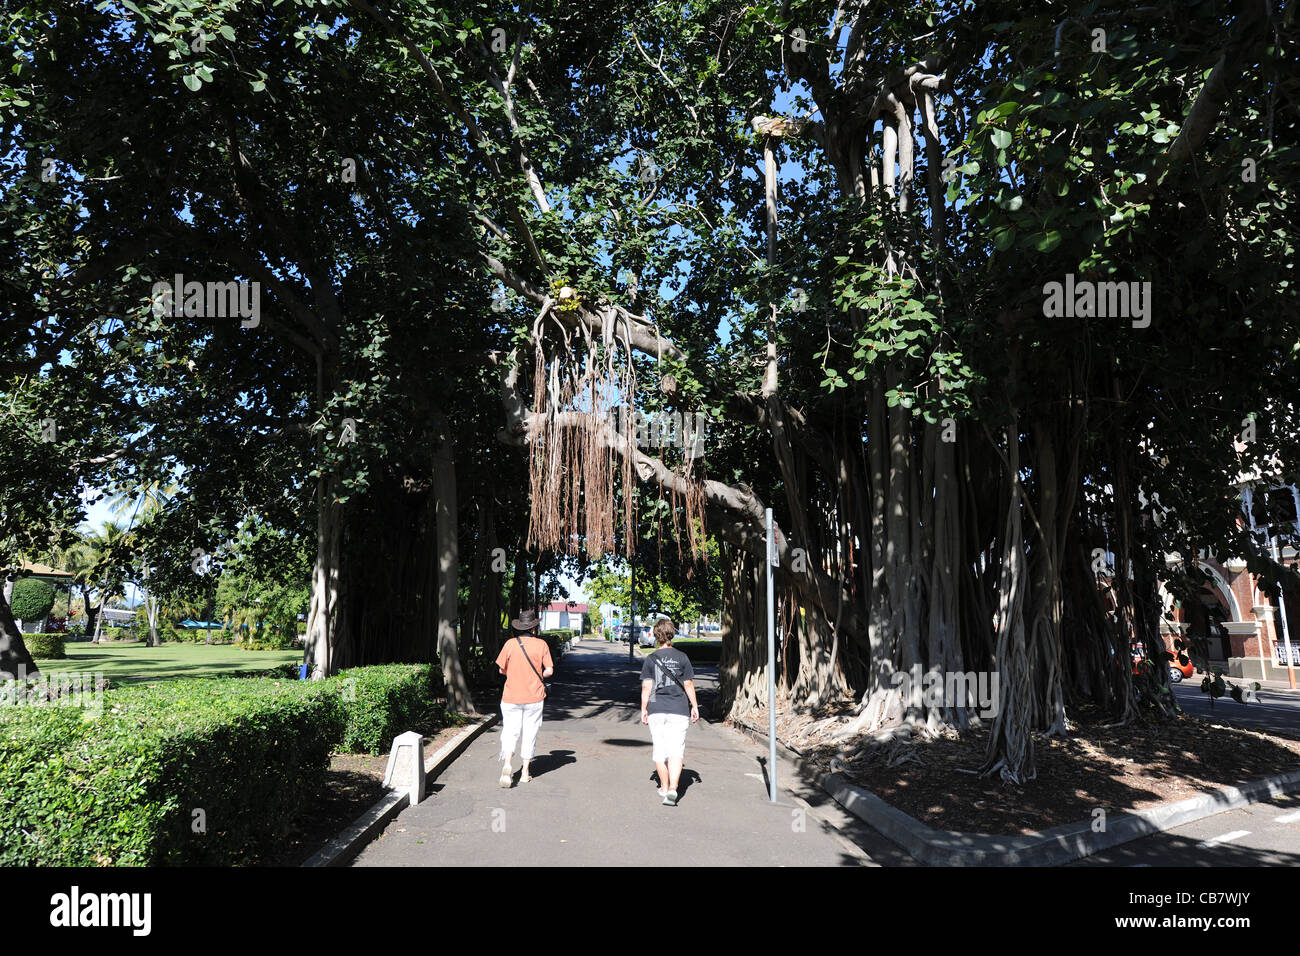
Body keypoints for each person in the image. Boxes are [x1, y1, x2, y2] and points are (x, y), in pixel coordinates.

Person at [640, 618, 699, 806]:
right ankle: (674, 789)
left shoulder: (650, 659)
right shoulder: (682, 657)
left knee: (660, 750)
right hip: (679, 709)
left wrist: (643, 709)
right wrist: (695, 706)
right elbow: (688, 683)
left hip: (656, 709)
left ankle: (664, 788)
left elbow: (646, 687)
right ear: (672, 633)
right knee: (676, 750)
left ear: (656, 635)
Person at [495, 609, 554, 788]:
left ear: (519, 627)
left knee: (510, 731)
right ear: (533, 628)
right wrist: (540, 675)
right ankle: (525, 773)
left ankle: (507, 764)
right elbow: (549, 670)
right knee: (530, 732)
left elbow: (501, 670)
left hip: (511, 696)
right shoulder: (542, 645)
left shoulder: (510, 644)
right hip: (534, 697)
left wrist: (513, 673)